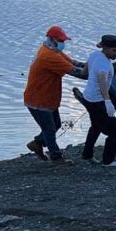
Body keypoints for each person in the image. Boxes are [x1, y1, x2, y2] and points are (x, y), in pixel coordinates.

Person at [24, 25, 81, 166]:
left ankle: (37, 143)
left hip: (47, 98)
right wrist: (99, 72)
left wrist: (93, 64)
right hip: (38, 100)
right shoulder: (49, 56)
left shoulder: (52, 50)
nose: (64, 43)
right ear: (53, 39)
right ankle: (56, 157)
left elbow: (73, 63)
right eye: (61, 40)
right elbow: (77, 72)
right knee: (49, 129)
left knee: (55, 124)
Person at [80, 34, 116, 168]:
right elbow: (102, 82)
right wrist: (108, 102)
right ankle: (108, 161)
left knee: (96, 125)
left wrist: (85, 74)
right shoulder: (104, 64)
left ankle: (87, 154)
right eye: (113, 51)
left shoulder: (94, 55)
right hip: (97, 101)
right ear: (105, 48)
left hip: (87, 97)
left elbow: (84, 71)